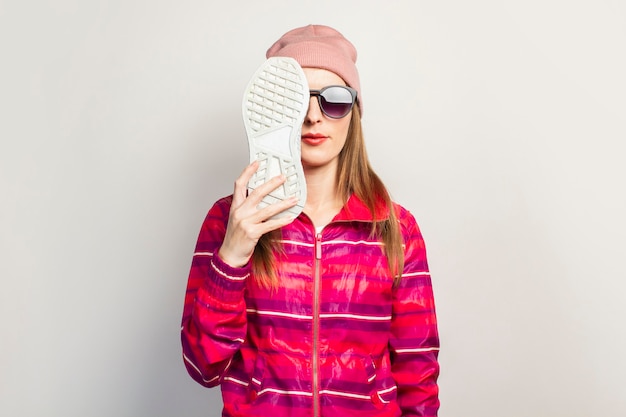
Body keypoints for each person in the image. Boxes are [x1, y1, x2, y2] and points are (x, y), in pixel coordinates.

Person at [181, 24, 440, 417]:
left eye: (334, 100)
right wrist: (232, 256)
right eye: (297, 100)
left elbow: (417, 377)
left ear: (354, 112)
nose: (314, 116)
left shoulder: (396, 229)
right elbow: (203, 365)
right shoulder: (230, 221)